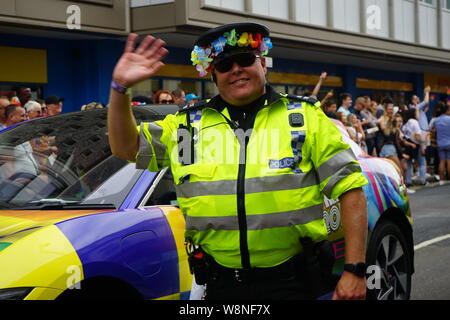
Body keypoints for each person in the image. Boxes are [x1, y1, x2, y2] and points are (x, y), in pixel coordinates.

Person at [107, 22, 368, 300]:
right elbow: (126, 147)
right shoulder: (186, 126)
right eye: (224, 64)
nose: (235, 69)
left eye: (244, 60)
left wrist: (355, 270)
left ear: (262, 64)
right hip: (220, 285)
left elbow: (351, 190)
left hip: (295, 282)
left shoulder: (304, 117)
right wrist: (119, 88)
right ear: (213, 75)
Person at [402, 108, 427, 186]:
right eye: (416, 113)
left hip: (407, 145)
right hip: (416, 145)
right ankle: (422, 180)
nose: (418, 114)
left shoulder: (405, 123)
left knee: (409, 164)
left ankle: (408, 181)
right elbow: (418, 135)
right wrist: (422, 144)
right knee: (422, 163)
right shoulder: (414, 122)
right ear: (413, 114)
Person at [434, 102, 450, 182]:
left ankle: (441, 179)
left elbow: (434, 130)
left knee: (442, 161)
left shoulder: (436, 120)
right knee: (449, 160)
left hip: (440, 143)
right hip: (449, 142)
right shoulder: (449, 119)